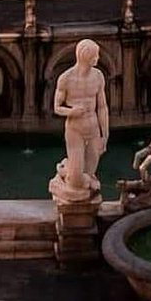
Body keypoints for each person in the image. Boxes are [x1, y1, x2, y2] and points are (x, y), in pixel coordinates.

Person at [51, 39, 109, 198]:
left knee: (89, 175)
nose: (98, 58)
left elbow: (102, 107)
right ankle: (65, 169)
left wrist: (105, 135)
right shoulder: (66, 78)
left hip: (93, 128)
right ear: (85, 56)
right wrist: (72, 111)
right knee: (78, 182)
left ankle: (69, 169)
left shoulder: (98, 76)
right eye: (95, 55)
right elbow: (56, 108)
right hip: (75, 129)